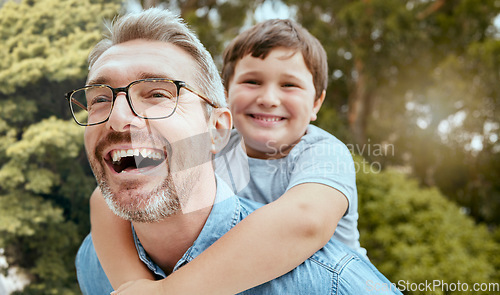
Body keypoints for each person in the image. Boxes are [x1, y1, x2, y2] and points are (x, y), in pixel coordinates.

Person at [72, 7, 402, 295]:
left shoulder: (321, 151)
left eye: (289, 85)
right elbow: (104, 199)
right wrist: (133, 283)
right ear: (226, 99)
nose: (269, 98)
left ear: (317, 102)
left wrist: (169, 292)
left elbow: (305, 222)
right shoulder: (213, 144)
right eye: (252, 82)